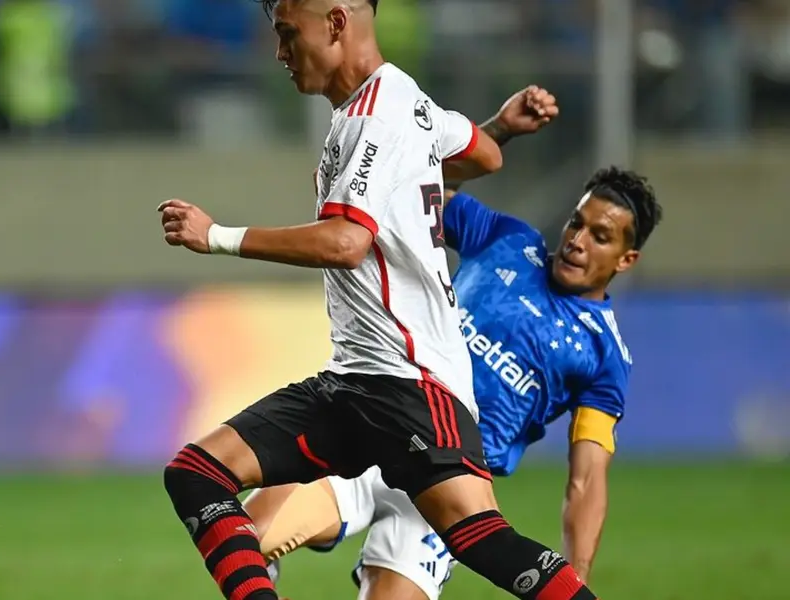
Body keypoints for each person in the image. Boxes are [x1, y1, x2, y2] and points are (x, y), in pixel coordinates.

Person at [157, 1, 596, 599]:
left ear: (336, 24)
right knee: (196, 473)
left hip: (411, 387)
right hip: (356, 385)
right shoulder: (405, 104)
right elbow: (481, 156)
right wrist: (497, 127)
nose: (281, 53)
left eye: (288, 35)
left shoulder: (378, 116)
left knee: (482, 539)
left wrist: (217, 237)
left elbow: (345, 241)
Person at [244, 121, 665, 600]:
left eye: (600, 236)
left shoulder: (604, 354)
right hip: (376, 427)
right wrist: (499, 130)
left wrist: (576, 580)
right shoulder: (508, 240)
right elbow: (415, 187)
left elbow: (586, 480)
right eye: (577, 223)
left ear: (626, 259)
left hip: (450, 491)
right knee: (245, 542)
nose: (577, 240)